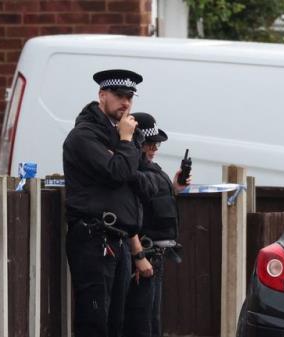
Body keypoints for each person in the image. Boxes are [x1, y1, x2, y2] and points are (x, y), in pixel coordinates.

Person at [63, 69, 154, 337]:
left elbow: (146, 182)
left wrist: (124, 154)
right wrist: (126, 143)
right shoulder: (84, 136)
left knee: (116, 322)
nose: (125, 103)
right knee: (95, 322)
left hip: (119, 240)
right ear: (102, 95)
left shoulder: (120, 138)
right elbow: (117, 173)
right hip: (93, 238)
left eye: (129, 97)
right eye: (118, 95)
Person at [124, 112, 191, 337]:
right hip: (143, 255)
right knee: (140, 322)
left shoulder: (149, 167)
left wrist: (173, 188)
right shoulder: (132, 168)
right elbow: (128, 213)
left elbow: (152, 204)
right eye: (149, 144)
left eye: (156, 145)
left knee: (152, 321)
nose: (153, 149)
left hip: (155, 255)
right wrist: (138, 255)